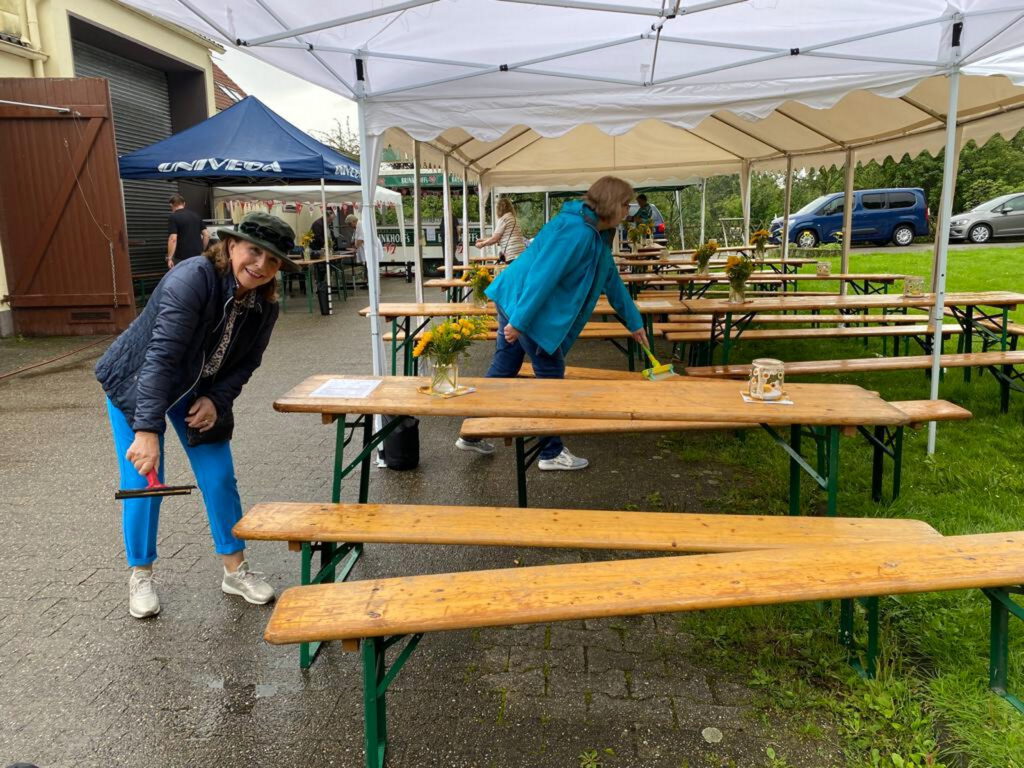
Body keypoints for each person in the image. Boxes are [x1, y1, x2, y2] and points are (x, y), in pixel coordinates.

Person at [96, 212, 300, 619]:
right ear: (231, 246)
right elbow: (161, 357)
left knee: (220, 476)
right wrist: (147, 430)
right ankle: (140, 573)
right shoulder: (192, 280)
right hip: (140, 382)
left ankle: (234, 570)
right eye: (254, 252)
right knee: (143, 480)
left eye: (273, 260)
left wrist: (217, 401)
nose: (260, 266)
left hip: (200, 392)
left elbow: (246, 365)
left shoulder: (265, 306)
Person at [455, 176, 649, 470]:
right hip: (526, 306)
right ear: (611, 204)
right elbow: (544, 276)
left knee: (505, 366)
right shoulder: (577, 233)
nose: (628, 210)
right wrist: (520, 322)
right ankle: (550, 452)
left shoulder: (591, 231)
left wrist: (634, 323)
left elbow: (610, 278)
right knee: (550, 372)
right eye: (625, 204)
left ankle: (471, 430)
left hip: (516, 299)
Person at [475, 197, 526, 262]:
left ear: (499, 209)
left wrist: (482, 244)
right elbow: (501, 237)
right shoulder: (513, 218)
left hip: (512, 253)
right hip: (520, 252)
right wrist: (482, 240)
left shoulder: (503, 219)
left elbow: (495, 239)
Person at [166, 194, 208, 269]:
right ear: (184, 204)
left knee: (183, 278)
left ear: (171, 205)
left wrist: (169, 258)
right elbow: (207, 235)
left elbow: (173, 239)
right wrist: (202, 249)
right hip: (198, 256)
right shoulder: (196, 215)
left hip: (182, 258)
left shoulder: (173, 217)